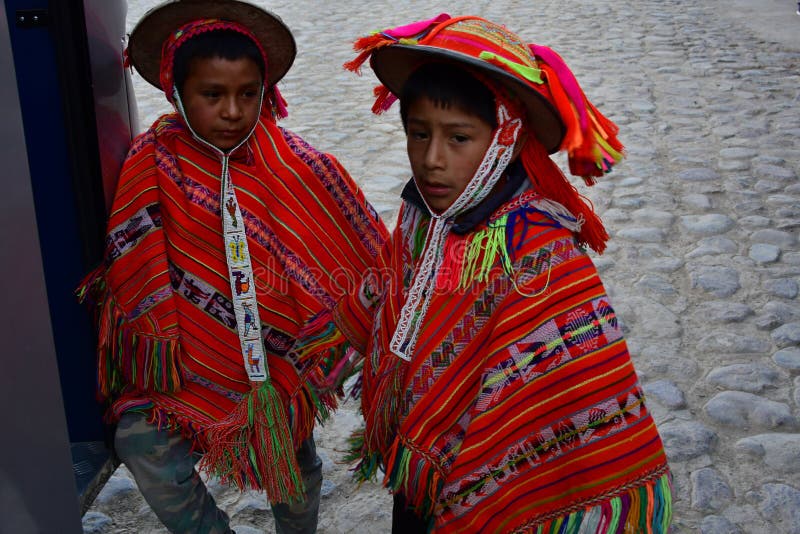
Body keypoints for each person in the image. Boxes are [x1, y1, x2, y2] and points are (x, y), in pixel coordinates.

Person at [336, 14, 673, 532]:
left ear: (506, 138)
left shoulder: (538, 246)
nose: (431, 159)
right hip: (418, 456)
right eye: (418, 134)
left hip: (496, 461)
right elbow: (393, 297)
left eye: (459, 138)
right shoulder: (421, 212)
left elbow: (570, 385)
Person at [77, 1, 387, 532]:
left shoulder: (296, 165)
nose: (232, 112)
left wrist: (331, 329)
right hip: (184, 371)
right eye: (212, 95)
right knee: (139, 441)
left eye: (248, 94)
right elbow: (134, 260)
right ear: (177, 92)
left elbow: (360, 248)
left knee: (293, 463)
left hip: (281, 359)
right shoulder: (152, 162)